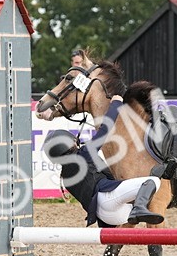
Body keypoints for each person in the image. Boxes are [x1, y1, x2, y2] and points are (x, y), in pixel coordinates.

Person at [41, 93, 164, 227]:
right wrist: (116, 103)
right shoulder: (84, 154)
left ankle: (137, 210)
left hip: (108, 216)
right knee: (152, 181)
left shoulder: (65, 177)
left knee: (139, 194)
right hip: (109, 200)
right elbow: (105, 129)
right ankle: (139, 209)